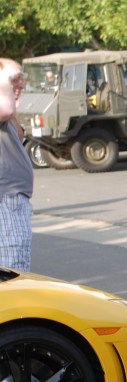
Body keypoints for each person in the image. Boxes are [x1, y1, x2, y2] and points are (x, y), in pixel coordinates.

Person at [0, 58, 32, 271]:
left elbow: (19, 134)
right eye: (15, 79)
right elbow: (6, 107)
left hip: (13, 199)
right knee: (13, 272)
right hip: (7, 199)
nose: (21, 85)